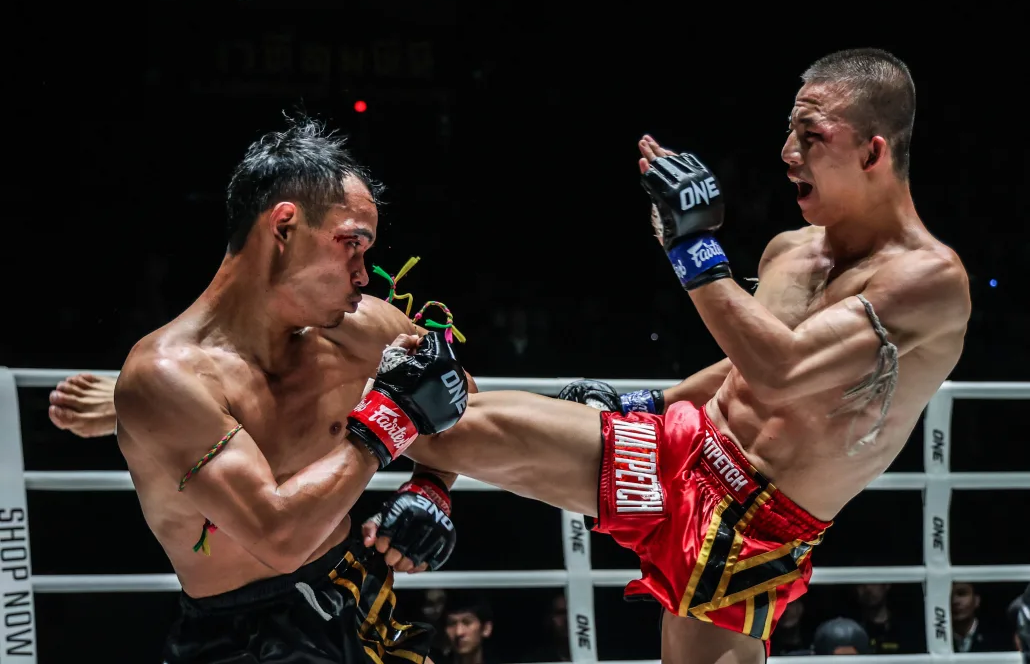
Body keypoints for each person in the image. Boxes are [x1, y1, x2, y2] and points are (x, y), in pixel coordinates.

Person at [391, 48, 971, 664]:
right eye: (789, 132)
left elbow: (785, 370)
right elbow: (746, 363)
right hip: (686, 443)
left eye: (810, 135)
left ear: (873, 153)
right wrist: (650, 401)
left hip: (756, 526)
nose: (787, 154)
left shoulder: (928, 281)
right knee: (444, 421)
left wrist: (691, 247)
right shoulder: (789, 251)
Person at [112, 115, 475, 664]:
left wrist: (432, 487)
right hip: (241, 639)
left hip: (356, 590)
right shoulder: (166, 376)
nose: (362, 273)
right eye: (351, 244)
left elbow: (452, 386)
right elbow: (279, 538)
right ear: (283, 227)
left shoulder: (352, 328)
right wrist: (388, 421)